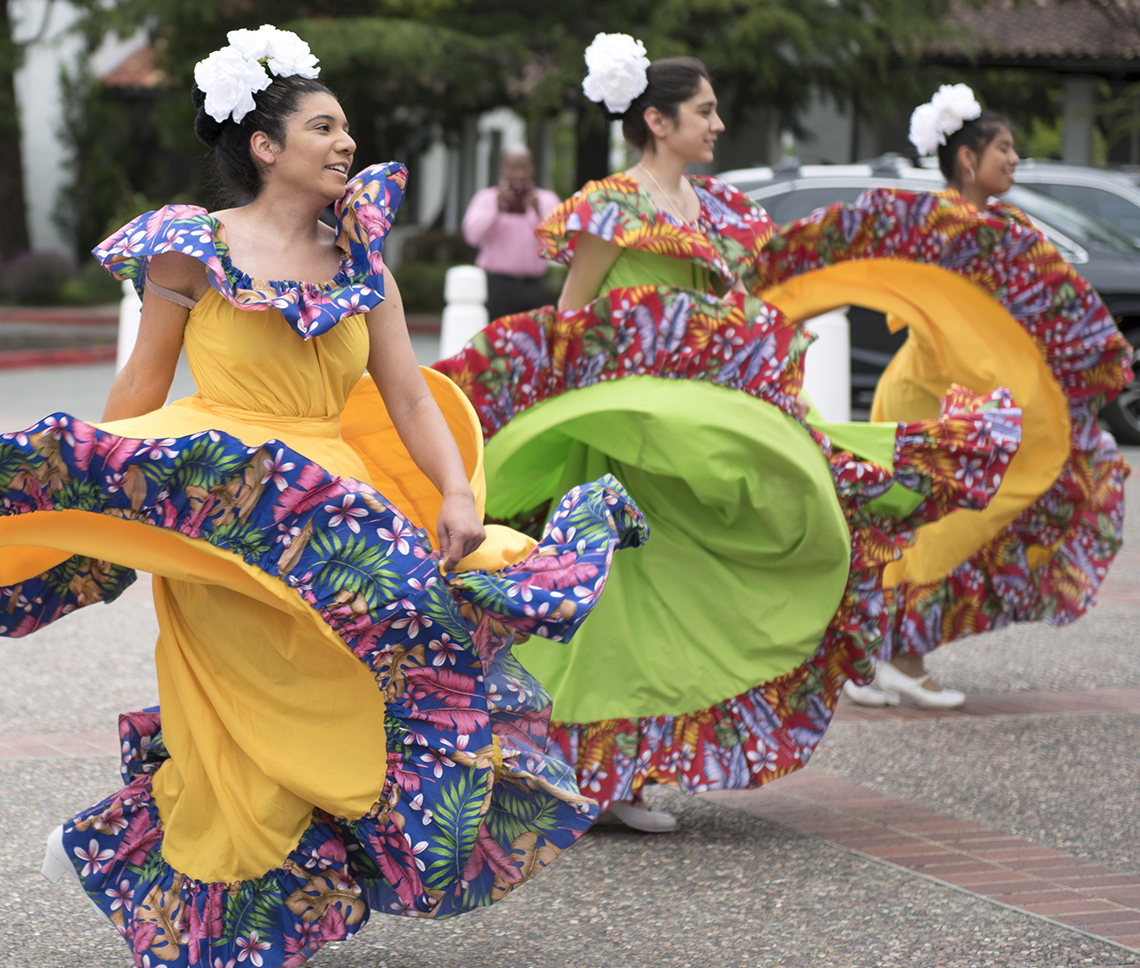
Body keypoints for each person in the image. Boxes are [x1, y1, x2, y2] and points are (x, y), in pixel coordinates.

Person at [5, 27, 646, 968]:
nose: (347, 143)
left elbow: (407, 397)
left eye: (347, 128)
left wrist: (459, 491)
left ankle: (116, 839)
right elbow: (139, 392)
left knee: (348, 702)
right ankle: (178, 872)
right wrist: (101, 493)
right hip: (222, 501)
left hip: (326, 520)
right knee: (244, 717)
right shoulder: (191, 249)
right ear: (266, 147)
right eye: (324, 126)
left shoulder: (365, 266)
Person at [434, 38, 1021, 832]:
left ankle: (616, 771)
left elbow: (734, 320)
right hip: (623, 435)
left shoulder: (710, 209)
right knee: (622, 599)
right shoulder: (614, 203)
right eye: (703, 112)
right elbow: (569, 324)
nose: (716, 124)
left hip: (702, 436)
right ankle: (600, 775)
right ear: (656, 119)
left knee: (686, 584)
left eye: (713, 111)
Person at [753, 84, 1130, 710]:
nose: (1014, 160)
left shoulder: (1008, 226)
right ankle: (896, 655)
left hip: (977, 401)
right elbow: (876, 269)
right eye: (1004, 148)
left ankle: (878, 655)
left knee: (956, 519)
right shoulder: (938, 226)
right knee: (925, 529)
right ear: (966, 160)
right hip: (926, 398)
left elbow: (1047, 310)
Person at [462, 146, 561, 320]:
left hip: (534, 284)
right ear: (503, 169)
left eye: (523, 167)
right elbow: (472, 237)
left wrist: (539, 212)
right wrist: (495, 211)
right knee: (497, 342)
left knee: (534, 342)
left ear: (532, 168)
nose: (519, 174)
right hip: (498, 284)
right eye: (513, 167)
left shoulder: (547, 199)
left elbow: (560, 241)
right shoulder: (486, 198)